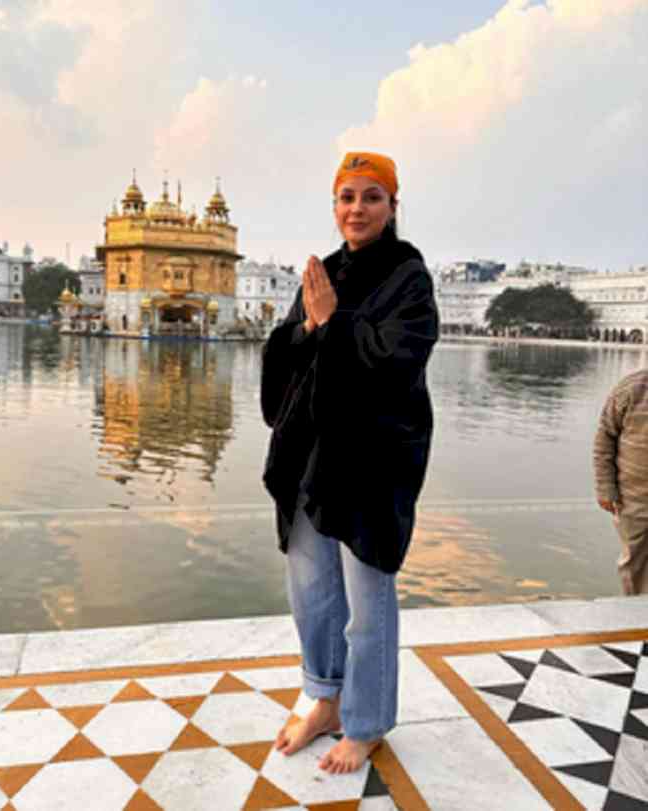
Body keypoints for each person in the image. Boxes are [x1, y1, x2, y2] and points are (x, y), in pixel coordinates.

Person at [260, 152, 439, 774]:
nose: (356, 209)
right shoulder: (325, 270)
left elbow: (399, 361)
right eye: (346, 197)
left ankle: (364, 723)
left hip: (370, 461)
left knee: (368, 602)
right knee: (311, 593)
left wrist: (333, 325)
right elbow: (287, 352)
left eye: (370, 197)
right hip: (313, 458)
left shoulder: (407, 277)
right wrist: (309, 331)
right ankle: (325, 698)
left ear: (392, 206)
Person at [593, 369, 648, 595]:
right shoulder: (632, 388)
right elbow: (605, 437)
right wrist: (605, 488)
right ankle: (634, 616)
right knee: (634, 561)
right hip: (634, 498)